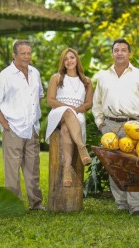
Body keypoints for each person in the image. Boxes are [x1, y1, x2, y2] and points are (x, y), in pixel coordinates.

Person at [92, 38, 139, 216]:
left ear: (129, 53)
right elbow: (96, 103)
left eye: (123, 50)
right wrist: (100, 123)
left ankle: (136, 206)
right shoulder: (103, 76)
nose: (119, 53)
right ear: (112, 53)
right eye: (116, 50)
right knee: (115, 165)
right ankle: (121, 203)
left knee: (136, 165)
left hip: (134, 125)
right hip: (110, 125)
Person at [0, 40, 45, 210]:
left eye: (28, 53)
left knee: (33, 169)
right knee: (12, 171)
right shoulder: (5, 76)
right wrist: (4, 123)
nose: (26, 57)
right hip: (13, 129)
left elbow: (38, 96)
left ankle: (36, 203)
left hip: (32, 128)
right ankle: (14, 204)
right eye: (23, 53)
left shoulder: (35, 73)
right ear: (14, 55)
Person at [45, 48, 93, 187]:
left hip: (78, 114)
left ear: (77, 59)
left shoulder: (87, 81)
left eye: (71, 57)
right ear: (62, 62)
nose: (69, 61)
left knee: (66, 130)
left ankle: (67, 169)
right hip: (58, 113)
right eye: (65, 59)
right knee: (66, 112)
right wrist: (68, 108)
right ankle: (82, 147)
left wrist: (75, 110)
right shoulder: (57, 78)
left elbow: (89, 103)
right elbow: (51, 100)